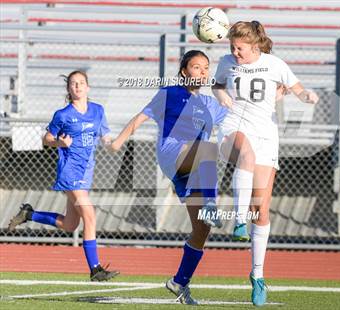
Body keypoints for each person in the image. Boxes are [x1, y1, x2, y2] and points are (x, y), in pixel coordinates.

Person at [212, 21, 319, 306]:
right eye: (232, 47)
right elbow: (217, 83)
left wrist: (306, 96)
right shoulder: (226, 62)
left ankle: (257, 276)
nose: (235, 52)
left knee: (261, 209)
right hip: (233, 127)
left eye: (240, 48)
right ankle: (238, 220)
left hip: (266, 135)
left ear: (255, 45)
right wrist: (221, 94)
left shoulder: (275, 64)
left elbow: (296, 88)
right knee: (244, 155)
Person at [110, 50, 227, 305]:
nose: (203, 71)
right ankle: (211, 203)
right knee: (207, 149)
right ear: (184, 71)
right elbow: (140, 117)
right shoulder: (169, 93)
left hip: (195, 170)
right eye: (196, 67)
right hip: (172, 154)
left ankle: (179, 282)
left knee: (201, 230)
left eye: (206, 67)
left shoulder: (211, 104)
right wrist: (119, 141)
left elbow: (238, 117)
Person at [8, 70, 119, 282]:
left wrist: (113, 143)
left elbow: (106, 139)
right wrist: (59, 142)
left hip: (86, 172)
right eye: (73, 83)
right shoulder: (63, 114)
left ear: (88, 87)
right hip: (70, 172)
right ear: (68, 89)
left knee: (70, 225)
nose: (77, 86)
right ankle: (95, 268)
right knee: (90, 214)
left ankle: (29, 214)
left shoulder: (98, 110)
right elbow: (46, 138)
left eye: (81, 83)